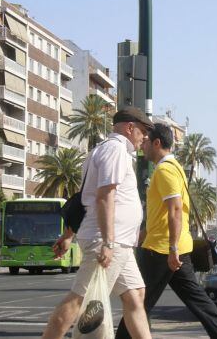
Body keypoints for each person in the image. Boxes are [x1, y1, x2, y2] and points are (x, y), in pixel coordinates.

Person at [41, 107, 154, 339]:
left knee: (136, 294)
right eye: (142, 131)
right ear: (129, 127)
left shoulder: (101, 150)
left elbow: (85, 197)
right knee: (79, 299)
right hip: (109, 240)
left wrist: (69, 234)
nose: (144, 137)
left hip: (117, 241)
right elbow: (104, 196)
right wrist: (108, 242)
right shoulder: (116, 150)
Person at [115, 123, 217, 339]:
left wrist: (172, 249)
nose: (143, 145)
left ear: (157, 143)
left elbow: (176, 210)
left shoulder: (165, 170)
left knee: (138, 303)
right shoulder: (176, 167)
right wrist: (141, 237)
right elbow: (161, 215)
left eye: (146, 141)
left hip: (162, 250)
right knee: (199, 302)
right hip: (172, 248)